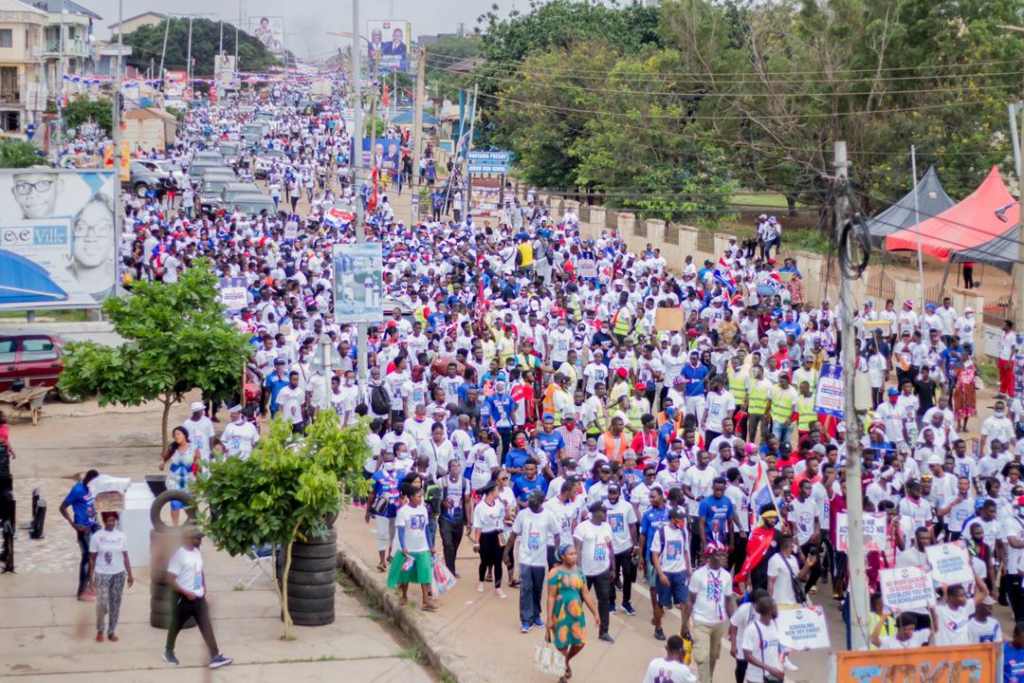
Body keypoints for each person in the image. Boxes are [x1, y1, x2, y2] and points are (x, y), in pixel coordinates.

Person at [162, 526, 232, 669]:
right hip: (183, 598)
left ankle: (215, 656)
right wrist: (186, 592)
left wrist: (203, 586)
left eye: (200, 538)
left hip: (199, 596)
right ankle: (168, 652)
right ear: (187, 539)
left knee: (206, 625)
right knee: (176, 625)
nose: (200, 540)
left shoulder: (197, 552)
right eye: (197, 538)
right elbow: (170, 578)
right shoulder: (179, 555)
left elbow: (199, 570)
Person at [506, 488, 560, 632]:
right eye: (529, 501)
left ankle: (536, 616)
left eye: (533, 502)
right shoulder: (522, 515)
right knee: (525, 589)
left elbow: (557, 534)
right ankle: (526, 620)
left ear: (542, 502)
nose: (530, 504)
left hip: (540, 559)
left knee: (538, 588)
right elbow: (513, 535)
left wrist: (556, 554)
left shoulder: (548, 515)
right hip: (525, 558)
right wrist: (506, 553)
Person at [545, 543, 600, 683]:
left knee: (580, 642)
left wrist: (595, 613)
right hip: (561, 614)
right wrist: (549, 618)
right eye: (571, 554)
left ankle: (566, 661)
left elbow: (586, 593)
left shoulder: (580, 572)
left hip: (576, 614)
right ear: (563, 557)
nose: (574, 556)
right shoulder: (555, 572)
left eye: (575, 553)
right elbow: (551, 596)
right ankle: (562, 676)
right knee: (562, 644)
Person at [688, 544, 735, 683]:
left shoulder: (726, 576)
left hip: (719, 623)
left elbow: (728, 602)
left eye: (725, 555)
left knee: (713, 656)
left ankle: (708, 679)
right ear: (710, 557)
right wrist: (684, 624)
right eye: (720, 555)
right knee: (702, 658)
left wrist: (732, 624)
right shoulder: (698, 575)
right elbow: (690, 601)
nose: (724, 558)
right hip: (701, 621)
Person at [389, 483, 437, 611]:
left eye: (421, 496)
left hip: (422, 547)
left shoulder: (423, 510)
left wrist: (431, 546)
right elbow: (400, 531)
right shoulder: (403, 512)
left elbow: (426, 529)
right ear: (410, 497)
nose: (421, 499)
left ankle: (425, 601)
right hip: (409, 549)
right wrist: (404, 546)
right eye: (418, 496)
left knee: (426, 572)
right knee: (405, 574)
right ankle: (404, 596)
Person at [87, 511, 133, 642]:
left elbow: (125, 556)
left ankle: (111, 630)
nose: (111, 523)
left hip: (118, 574)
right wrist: (90, 579)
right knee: (102, 603)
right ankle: (100, 629)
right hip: (102, 574)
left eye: (113, 520)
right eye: (109, 520)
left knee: (115, 604)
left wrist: (130, 574)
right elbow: (92, 559)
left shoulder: (121, 536)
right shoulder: (97, 537)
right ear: (104, 521)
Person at [573, 500, 615, 642]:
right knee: (579, 600)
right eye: (604, 512)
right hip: (585, 571)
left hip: (602, 570)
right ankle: (574, 628)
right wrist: (578, 569)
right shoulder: (582, 527)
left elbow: (610, 548)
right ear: (596, 513)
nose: (606, 514)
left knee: (604, 600)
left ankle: (604, 631)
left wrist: (613, 568)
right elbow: (577, 549)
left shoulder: (607, 527)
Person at [651, 507, 693, 641]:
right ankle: (658, 628)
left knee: (686, 603)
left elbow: (686, 552)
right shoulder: (661, 533)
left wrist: (689, 571)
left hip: (680, 573)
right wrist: (661, 574)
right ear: (673, 519)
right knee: (660, 603)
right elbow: (655, 555)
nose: (682, 522)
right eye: (680, 519)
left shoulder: (684, 532)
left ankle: (684, 630)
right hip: (666, 573)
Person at [60, 468, 99, 601]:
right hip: (83, 529)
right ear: (87, 479)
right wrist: (73, 524)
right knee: (86, 557)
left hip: (93, 526)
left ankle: (90, 585)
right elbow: (62, 507)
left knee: (95, 556)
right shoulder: (77, 490)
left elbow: (93, 505)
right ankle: (81, 590)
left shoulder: (92, 489)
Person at [70, 192, 117, 301]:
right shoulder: (56, 285)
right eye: (80, 227)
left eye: (102, 227)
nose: (91, 237)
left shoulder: (123, 296)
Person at [366, 451, 401, 572]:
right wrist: (368, 511)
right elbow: (372, 494)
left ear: (395, 461)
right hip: (382, 506)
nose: (388, 463)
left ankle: (390, 556)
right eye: (386, 461)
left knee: (393, 535)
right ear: (383, 462)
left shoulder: (401, 475)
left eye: (390, 461)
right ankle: (381, 560)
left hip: (396, 508)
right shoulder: (377, 476)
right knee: (382, 534)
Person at [473, 480, 508, 598]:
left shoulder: (499, 504)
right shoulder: (480, 507)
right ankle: (481, 581)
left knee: (498, 562)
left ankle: (497, 587)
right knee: (485, 561)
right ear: (492, 492)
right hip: (485, 535)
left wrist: (505, 540)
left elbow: (504, 519)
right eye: (497, 490)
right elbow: (478, 527)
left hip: (499, 534)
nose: (499, 492)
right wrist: (476, 543)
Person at [158, 426, 199, 526]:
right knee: (175, 503)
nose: (176, 437)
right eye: (174, 435)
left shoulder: (194, 448)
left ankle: (191, 526)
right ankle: (176, 528)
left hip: (188, 480)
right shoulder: (173, 447)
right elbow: (164, 457)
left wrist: (199, 481)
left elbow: (199, 466)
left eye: (178, 434)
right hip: (174, 480)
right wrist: (162, 462)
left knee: (188, 504)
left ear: (184, 435)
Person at [741, 595, 783, 683]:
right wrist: (768, 668)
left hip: (775, 675)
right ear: (769, 611)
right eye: (775, 608)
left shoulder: (776, 624)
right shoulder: (751, 629)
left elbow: (781, 646)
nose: (777, 611)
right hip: (756, 678)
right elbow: (747, 656)